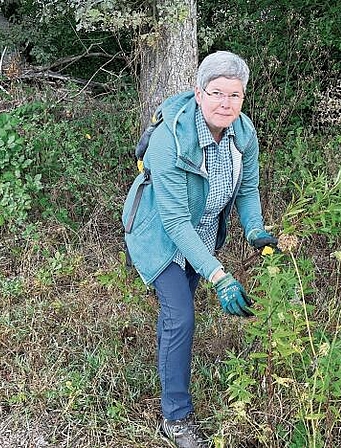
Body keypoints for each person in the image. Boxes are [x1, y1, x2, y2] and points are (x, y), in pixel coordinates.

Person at [122, 50, 277, 448]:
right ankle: (175, 419)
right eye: (216, 93)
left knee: (177, 316)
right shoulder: (169, 139)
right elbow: (174, 221)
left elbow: (247, 189)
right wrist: (220, 276)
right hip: (159, 233)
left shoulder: (243, 133)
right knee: (182, 314)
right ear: (198, 92)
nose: (226, 103)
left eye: (235, 95)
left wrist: (256, 229)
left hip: (203, 233)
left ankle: (167, 360)